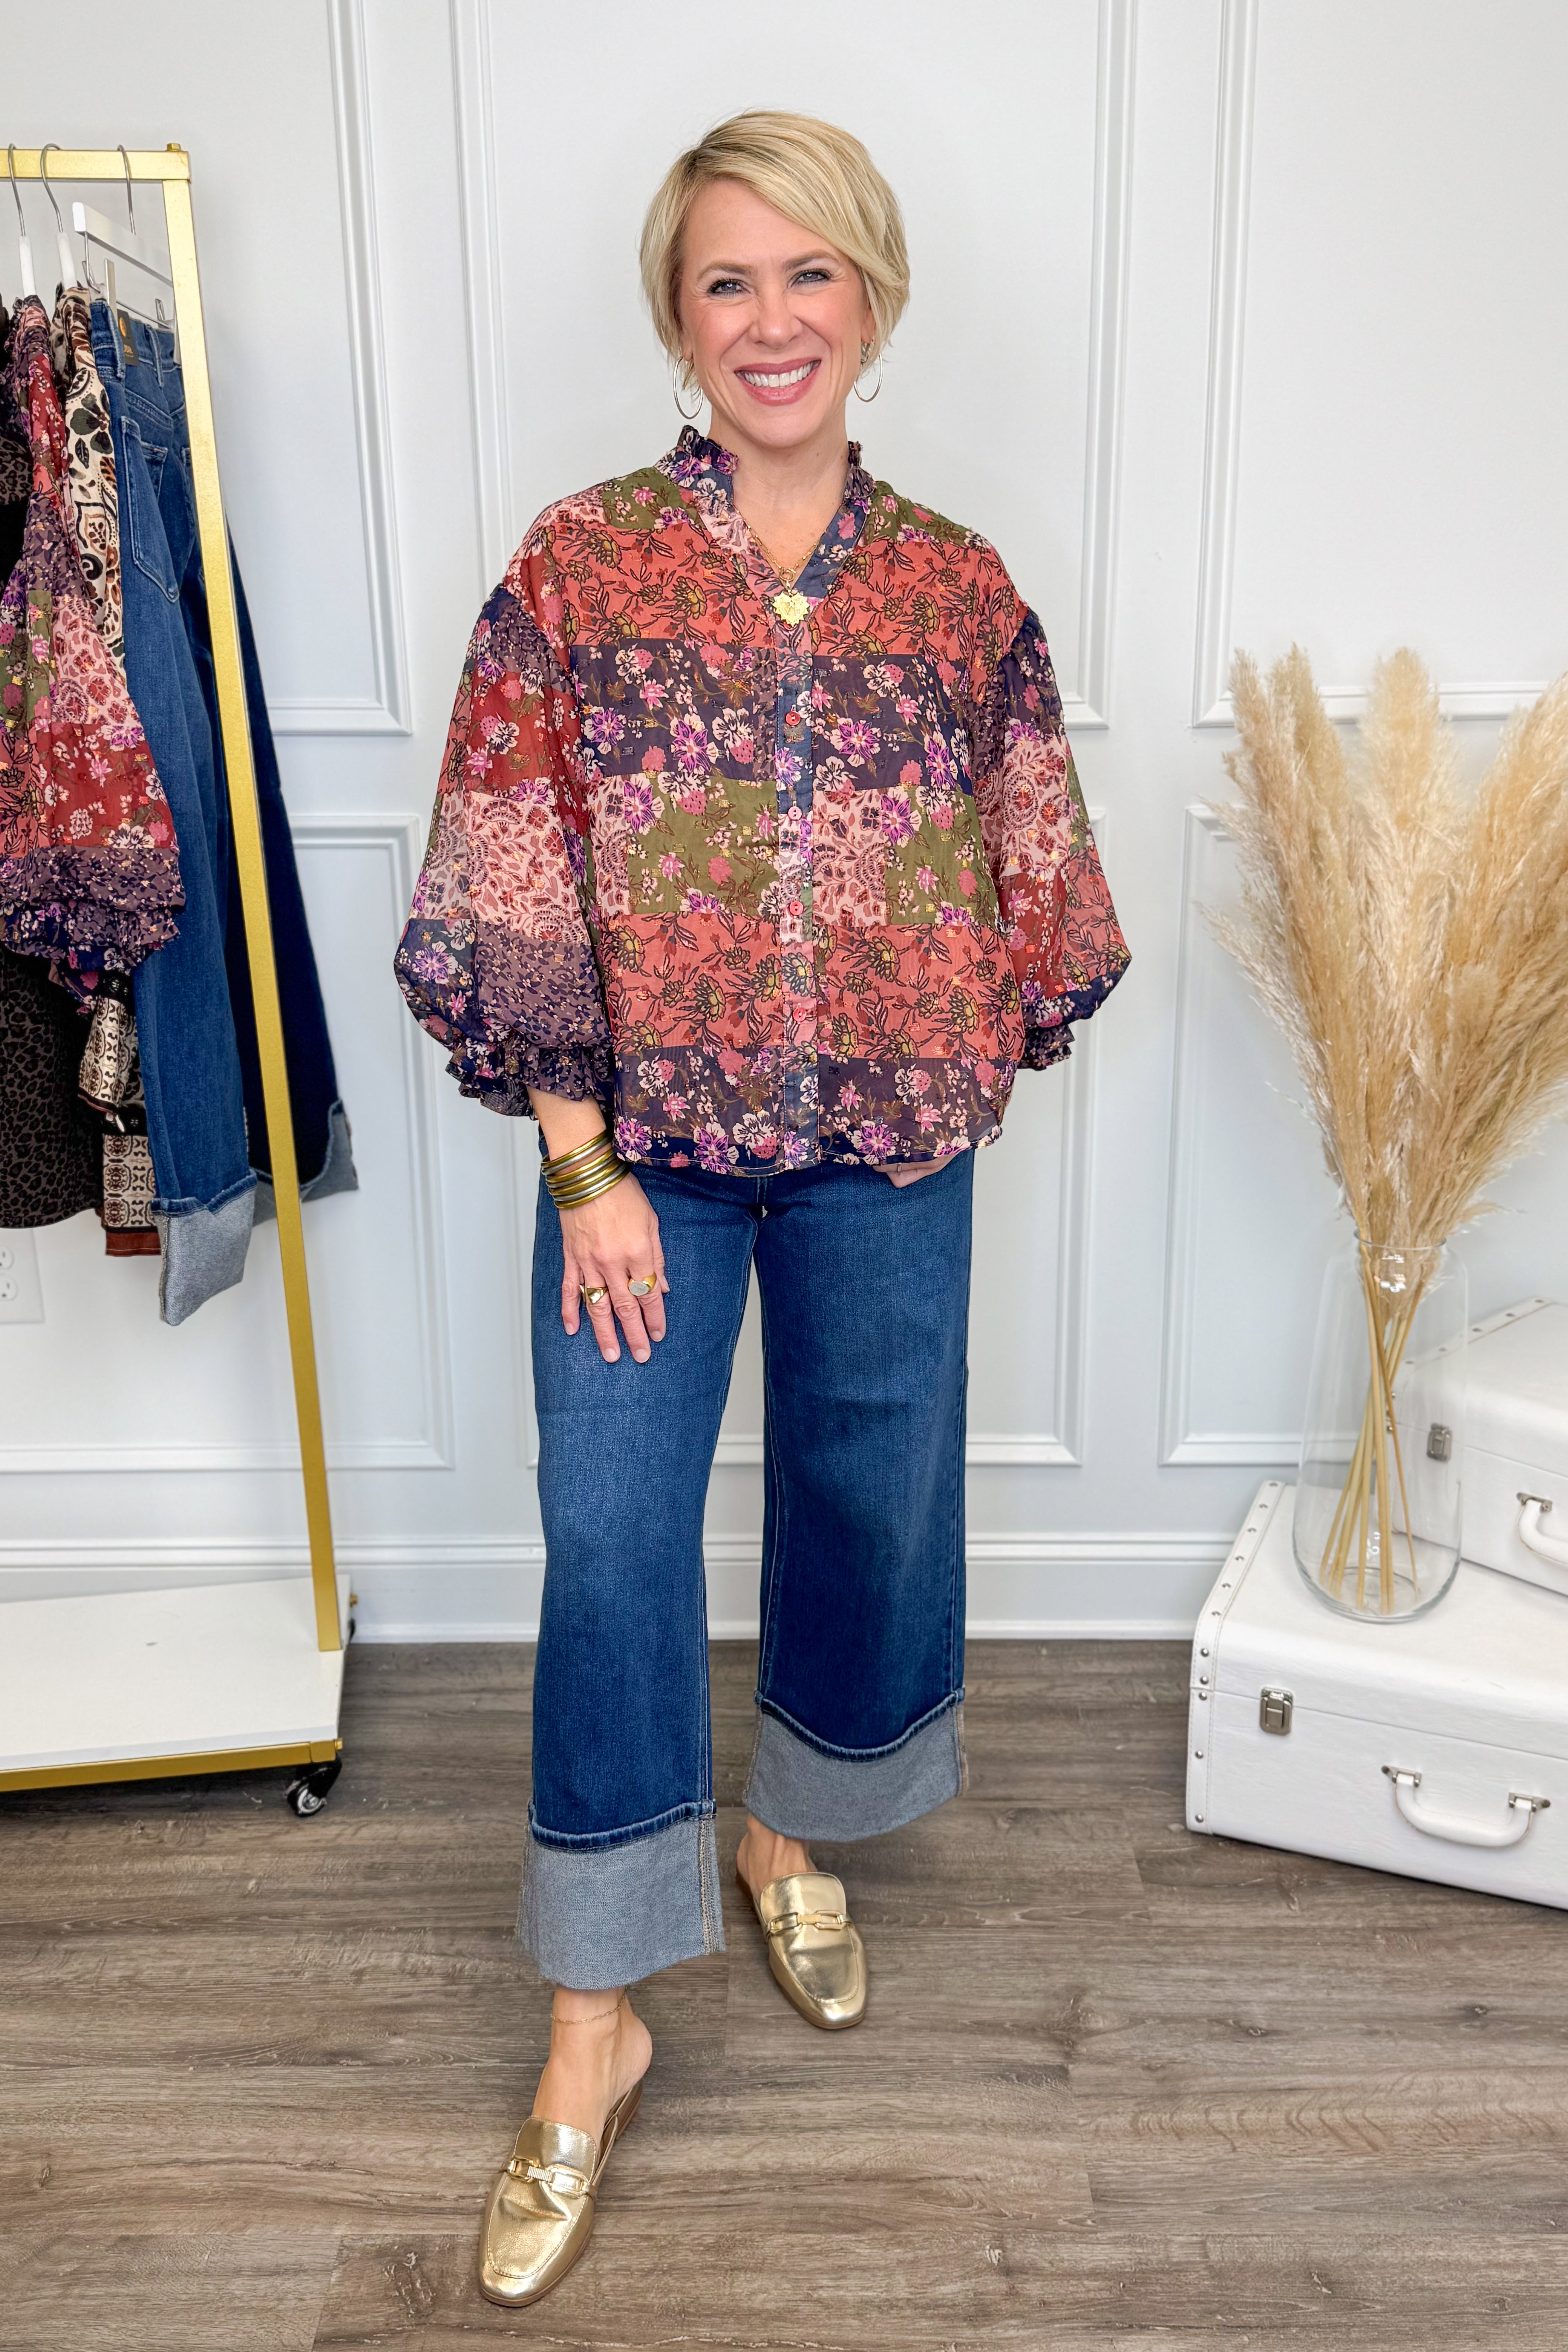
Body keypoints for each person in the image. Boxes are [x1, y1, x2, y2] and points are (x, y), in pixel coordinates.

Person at [395, 108, 1128, 2308]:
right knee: (613, 1531)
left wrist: (928, 1054)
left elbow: (1036, 886)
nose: (771, 319)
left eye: (809, 276)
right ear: (676, 318)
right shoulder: (579, 569)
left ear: (871, 305)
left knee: (867, 1491)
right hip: (644, 1169)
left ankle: (787, 1822)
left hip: (880, 1156)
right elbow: (507, 878)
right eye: (728, 280)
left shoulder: (956, 592)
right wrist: (587, 1163)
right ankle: (592, 2017)